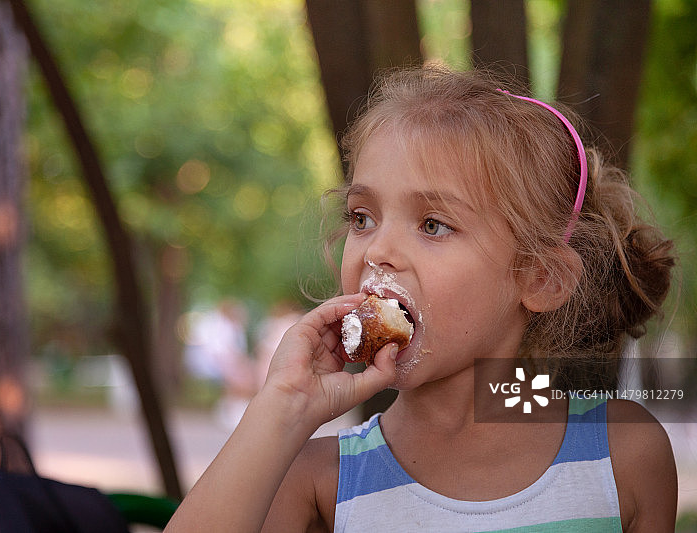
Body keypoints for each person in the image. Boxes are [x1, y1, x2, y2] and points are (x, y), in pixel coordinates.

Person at [165, 65, 677, 532]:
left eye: (433, 225)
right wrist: (283, 409)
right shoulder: (320, 483)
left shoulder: (623, 457)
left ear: (540, 278)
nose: (377, 251)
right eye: (362, 217)